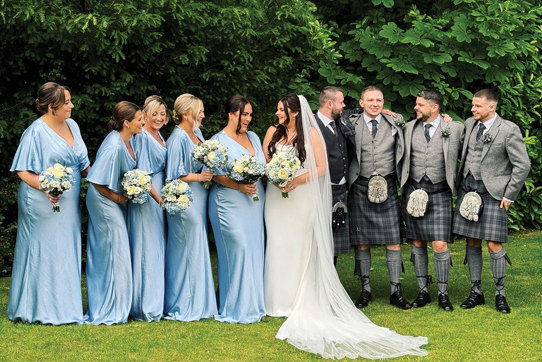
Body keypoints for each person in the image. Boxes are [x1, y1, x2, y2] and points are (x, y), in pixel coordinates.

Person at [263, 94, 427, 359]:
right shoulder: (274, 130)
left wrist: (295, 179)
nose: (277, 112)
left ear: (293, 112)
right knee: (278, 244)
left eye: (281, 109)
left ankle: (299, 298)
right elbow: (266, 160)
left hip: (302, 195)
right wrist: (275, 174)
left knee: (301, 245)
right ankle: (276, 299)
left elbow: (320, 166)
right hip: (276, 198)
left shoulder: (316, 131)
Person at [8, 82, 90, 324]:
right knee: (45, 250)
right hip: (40, 201)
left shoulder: (72, 125)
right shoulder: (35, 132)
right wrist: (46, 187)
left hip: (69, 201)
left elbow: (84, 165)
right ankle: (39, 308)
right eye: (66, 102)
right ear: (52, 106)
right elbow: (22, 171)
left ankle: (65, 306)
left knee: (66, 248)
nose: (71, 105)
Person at [453, 89, 530, 313]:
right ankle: (476, 292)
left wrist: (509, 195)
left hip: (493, 193)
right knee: (472, 241)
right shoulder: (469, 124)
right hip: (468, 189)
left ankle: (500, 294)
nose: (472, 109)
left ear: (491, 107)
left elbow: (522, 165)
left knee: (493, 243)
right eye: (472, 105)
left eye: (477, 106)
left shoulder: (508, 129)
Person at [346, 86, 410, 309]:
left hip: (388, 184)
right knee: (362, 241)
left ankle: (395, 290)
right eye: (370, 100)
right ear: (361, 102)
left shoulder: (396, 122)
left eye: (379, 100)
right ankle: (365, 290)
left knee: (393, 239)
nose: (375, 103)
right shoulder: (350, 123)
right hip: (360, 184)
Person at [400, 89, 464, 311]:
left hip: (440, 192)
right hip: (414, 190)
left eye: (420, 104)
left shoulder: (454, 128)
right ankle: (422, 292)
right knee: (417, 242)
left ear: (434, 107)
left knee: (439, 244)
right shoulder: (408, 128)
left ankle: (443, 293)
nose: (415, 107)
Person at [208, 95, 266, 323]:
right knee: (238, 250)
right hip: (228, 203)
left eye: (250, 115)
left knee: (253, 250)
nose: (248, 119)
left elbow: (261, 164)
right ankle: (235, 307)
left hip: (253, 203)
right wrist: (240, 186)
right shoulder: (218, 141)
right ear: (231, 114)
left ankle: (254, 304)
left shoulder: (253, 136)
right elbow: (217, 175)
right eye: (244, 114)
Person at [85, 101, 143, 325]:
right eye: (139, 119)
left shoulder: (131, 139)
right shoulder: (113, 146)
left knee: (116, 250)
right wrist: (118, 198)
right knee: (113, 250)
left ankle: (118, 303)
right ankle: (109, 309)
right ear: (126, 123)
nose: (143, 122)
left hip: (112, 199)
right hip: (103, 200)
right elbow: (96, 181)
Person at [163, 94, 217, 321]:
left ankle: (200, 301)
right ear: (186, 114)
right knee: (185, 249)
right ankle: (182, 303)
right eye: (200, 110)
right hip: (184, 200)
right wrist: (200, 176)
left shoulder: (196, 134)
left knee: (196, 247)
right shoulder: (178, 139)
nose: (203, 114)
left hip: (199, 197)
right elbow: (174, 175)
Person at [127, 95, 167, 321]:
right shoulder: (142, 137)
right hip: (148, 196)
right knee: (146, 245)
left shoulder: (159, 135)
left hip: (159, 192)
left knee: (156, 246)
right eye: (155, 114)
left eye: (162, 114)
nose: (159, 118)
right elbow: (141, 174)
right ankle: (144, 304)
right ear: (145, 114)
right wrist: (158, 198)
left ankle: (155, 301)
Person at [313, 86, 355, 265]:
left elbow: (360, 111)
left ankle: (331, 281)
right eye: (341, 102)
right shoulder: (310, 126)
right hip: (321, 188)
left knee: (336, 238)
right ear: (330, 104)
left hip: (340, 188)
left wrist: (383, 111)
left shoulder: (341, 120)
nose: (344, 105)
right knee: (319, 238)